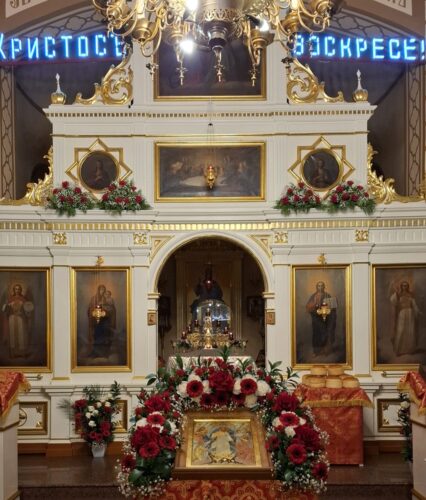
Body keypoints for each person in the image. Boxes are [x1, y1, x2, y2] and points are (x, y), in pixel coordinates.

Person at [1, 284, 34, 358]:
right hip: (12, 319)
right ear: (14, 290)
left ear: (20, 290)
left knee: (21, 335)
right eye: (16, 289)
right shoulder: (10, 299)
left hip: (20, 319)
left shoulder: (23, 299)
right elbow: (6, 311)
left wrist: (27, 311)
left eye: (18, 289)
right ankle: (13, 353)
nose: (17, 290)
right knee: (12, 336)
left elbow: (27, 310)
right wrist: (6, 306)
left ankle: (22, 353)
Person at [306, 281, 337, 357]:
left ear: (324, 287)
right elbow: (308, 307)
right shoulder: (313, 296)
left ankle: (325, 350)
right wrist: (314, 304)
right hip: (316, 319)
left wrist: (330, 308)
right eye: (319, 286)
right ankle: (316, 351)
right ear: (317, 287)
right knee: (316, 335)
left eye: (322, 286)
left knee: (326, 333)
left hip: (326, 319)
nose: (320, 287)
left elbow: (332, 308)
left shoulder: (327, 295)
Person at [390, 281, 420, 356]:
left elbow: (414, 305)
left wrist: (417, 311)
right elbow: (393, 301)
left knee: (410, 331)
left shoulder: (410, 295)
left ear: (408, 286)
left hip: (410, 314)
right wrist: (396, 293)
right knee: (401, 330)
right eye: (403, 285)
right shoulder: (398, 294)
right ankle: (399, 350)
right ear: (401, 286)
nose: (404, 287)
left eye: (406, 285)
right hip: (402, 314)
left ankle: (409, 350)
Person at [87, 285, 116, 358]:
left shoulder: (107, 299)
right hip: (96, 322)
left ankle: (104, 353)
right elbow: (90, 309)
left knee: (105, 337)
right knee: (96, 336)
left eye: (103, 290)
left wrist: (106, 311)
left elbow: (112, 310)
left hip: (105, 321)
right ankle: (95, 353)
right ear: (98, 290)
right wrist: (94, 311)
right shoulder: (94, 298)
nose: (102, 291)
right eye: (101, 290)